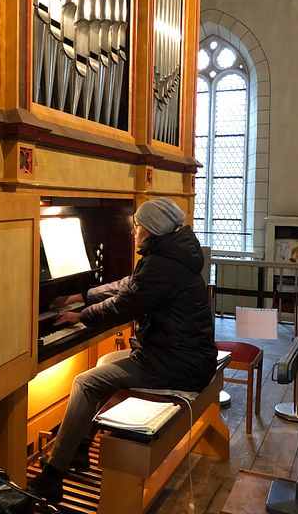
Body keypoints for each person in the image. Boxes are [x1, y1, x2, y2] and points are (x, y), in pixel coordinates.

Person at [28, 198, 217, 502]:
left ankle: (53, 475)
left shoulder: (163, 264)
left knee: (85, 382)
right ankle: (80, 445)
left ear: (151, 229)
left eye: (137, 225)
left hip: (178, 364)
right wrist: (83, 294)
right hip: (179, 356)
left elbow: (124, 304)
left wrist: (82, 314)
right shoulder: (170, 254)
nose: (133, 231)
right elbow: (128, 284)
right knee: (107, 359)